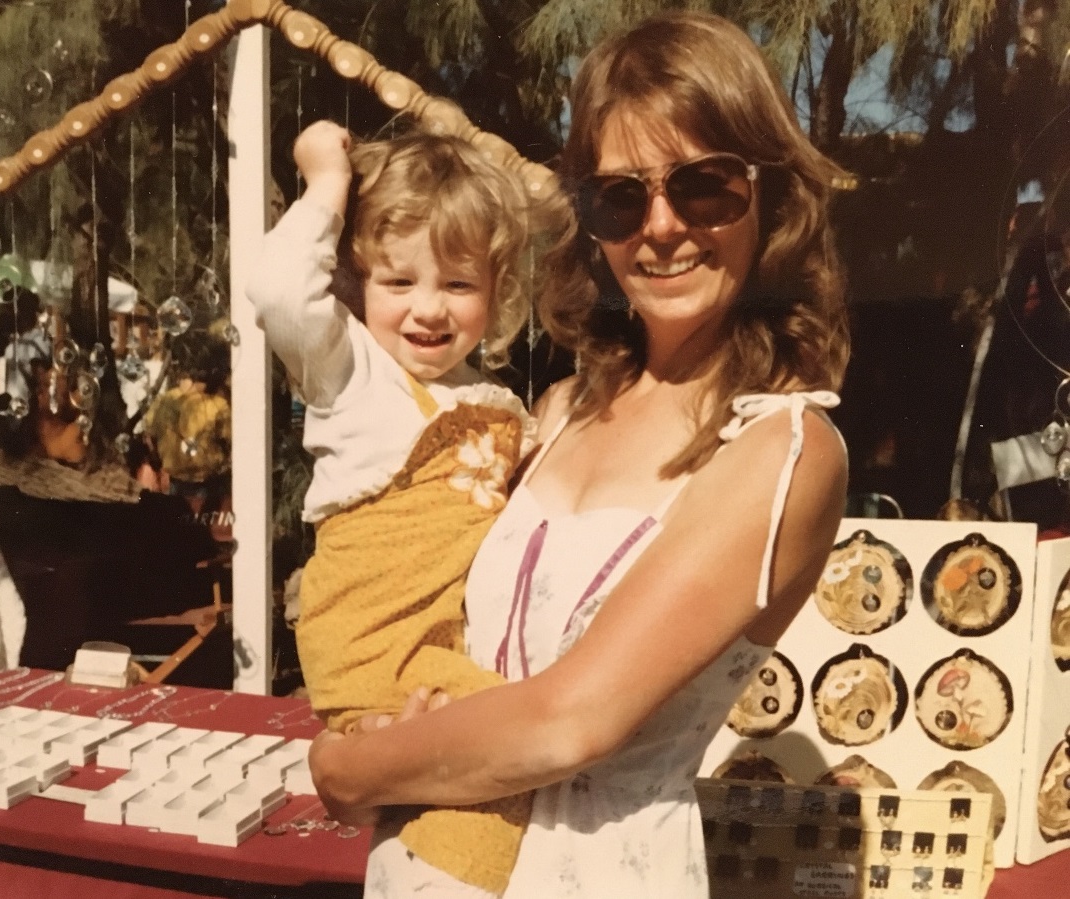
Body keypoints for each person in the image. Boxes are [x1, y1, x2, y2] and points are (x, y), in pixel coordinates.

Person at [309, 11, 851, 897]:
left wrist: (345, 769)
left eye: (704, 187)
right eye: (621, 198)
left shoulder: (782, 450)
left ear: (773, 198)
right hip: (430, 860)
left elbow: (572, 721)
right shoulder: (559, 411)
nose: (661, 226)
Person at [246, 121, 558, 894]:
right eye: (398, 281)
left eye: (458, 285)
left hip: (433, 642)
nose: (428, 309)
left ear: (498, 291)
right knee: (511, 750)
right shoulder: (350, 374)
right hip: (374, 641)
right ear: (356, 282)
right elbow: (278, 288)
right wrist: (326, 181)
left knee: (470, 788)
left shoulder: (489, 399)